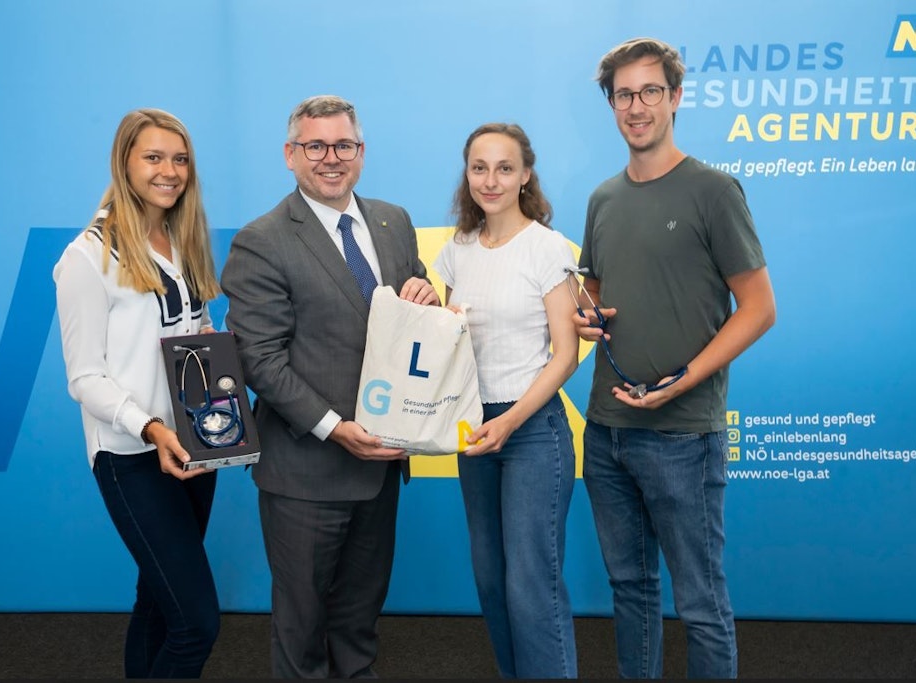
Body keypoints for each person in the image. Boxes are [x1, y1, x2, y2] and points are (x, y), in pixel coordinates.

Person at [573, 37, 777, 679]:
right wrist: (587, 315)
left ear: (676, 98)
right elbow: (597, 289)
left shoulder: (714, 191)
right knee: (630, 593)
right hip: (606, 431)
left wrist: (686, 378)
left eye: (650, 92)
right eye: (624, 94)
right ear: (611, 104)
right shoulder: (603, 198)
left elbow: (759, 308)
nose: (637, 106)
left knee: (701, 602)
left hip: (682, 437)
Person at [219, 95, 440, 679]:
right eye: (315, 146)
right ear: (291, 155)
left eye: (343, 145)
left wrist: (428, 296)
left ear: (361, 153)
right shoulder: (262, 240)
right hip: (306, 472)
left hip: (382, 466)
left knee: (359, 627)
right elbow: (258, 359)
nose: (330, 158)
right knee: (303, 632)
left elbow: (416, 320)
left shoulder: (393, 222)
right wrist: (334, 429)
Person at [53, 108, 223, 678]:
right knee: (197, 623)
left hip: (195, 445)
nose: (169, 171)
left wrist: (210, 346)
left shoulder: (178, 240)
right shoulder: (87, 256)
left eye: (179, 159)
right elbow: (85, 377)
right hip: (134, 456)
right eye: (153, 157)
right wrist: (151, 428)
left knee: (158, 603)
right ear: (124, 161)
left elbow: (182, 342)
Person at [432, 123, 580, 679]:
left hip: (533, 428)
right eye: (479, 167)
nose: (490, 180)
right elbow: (451, 343)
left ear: (525, 176)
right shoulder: (458, 251)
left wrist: (512, 421)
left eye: (504, 168)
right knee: (492, 582)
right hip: (475, 429)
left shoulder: (547, 246)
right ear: (466, 174)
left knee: (530, 586)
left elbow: (564, 355)